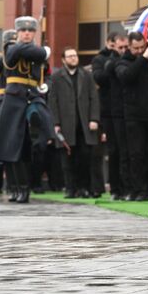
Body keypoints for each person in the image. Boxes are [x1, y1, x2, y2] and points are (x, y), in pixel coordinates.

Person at [0, 16, 55, 203]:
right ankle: (17, 188)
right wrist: (43, 50)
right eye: (23, 31)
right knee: (11, 147)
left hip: (32, 98)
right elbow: (26, 52)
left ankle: (24, 188)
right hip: (14, 100)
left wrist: (46, 85)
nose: (26, 34)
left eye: (30, 31)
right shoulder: (12, 48)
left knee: (26, 149)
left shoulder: (34, 52)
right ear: (17, 33)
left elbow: (45, 73)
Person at [47, 47, 102, 198]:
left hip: (84, 123)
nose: (73, 59)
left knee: (85, 157)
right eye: (70, 56)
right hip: (66, 123)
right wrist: (56, 123)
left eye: (75, 56)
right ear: (63, 60)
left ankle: (85, 188)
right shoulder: (57, 77)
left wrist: (94, 118)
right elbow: (53, 101)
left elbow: (94, 98)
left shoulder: (86, 75)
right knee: (67, 159)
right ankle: (70, 188)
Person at [116, 30, 148, 200]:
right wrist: (143, 58)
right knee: (136, 154)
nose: (140, 51)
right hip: (134, 116)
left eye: (142, 47)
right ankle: (138, 189)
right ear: (129, 47)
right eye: (136, 48)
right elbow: (127, 76)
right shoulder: (123, 62)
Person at [91, 33, 127, 199]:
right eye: (116, 46)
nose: (120, 50)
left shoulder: (128, 58)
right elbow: (99, 77)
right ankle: (115, 188)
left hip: (126, 108)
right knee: (114, 150)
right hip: (109, 110)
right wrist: (112, 64)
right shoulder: (101, 59)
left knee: (128, 150)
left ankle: (128, 186)